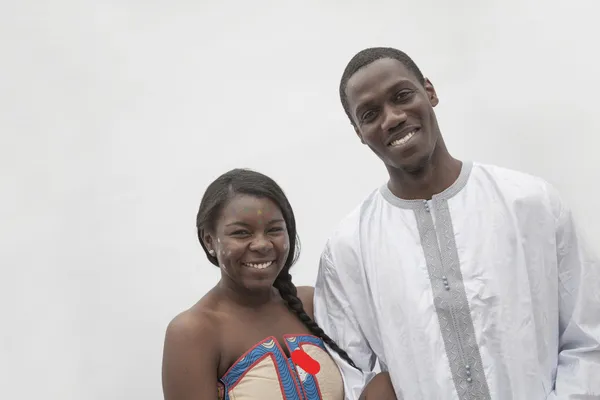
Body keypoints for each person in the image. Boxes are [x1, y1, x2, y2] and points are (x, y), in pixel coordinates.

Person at [313, 46, 600, 400]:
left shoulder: (530, 204)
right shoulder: (346, 251)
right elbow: (351, 375)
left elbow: (588, 336)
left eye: (402, 96)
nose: (392, 118)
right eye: (370, 114)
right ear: (359, 131)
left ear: (429, 92)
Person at [161, 169, 395, 399]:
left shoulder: (311, 304)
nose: (262, 244)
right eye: (242, 233)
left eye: (274, 230)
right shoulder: (193, 332)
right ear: (209, 239)